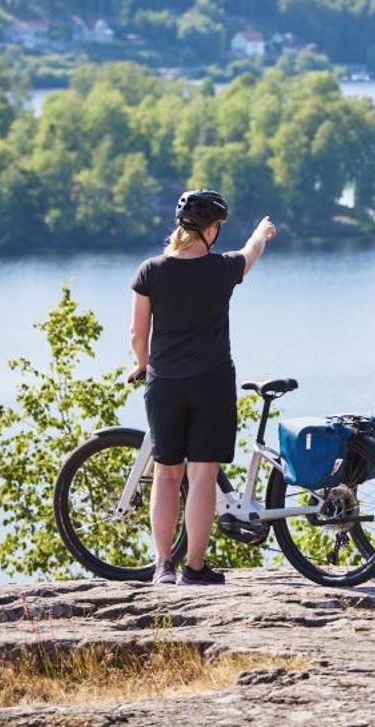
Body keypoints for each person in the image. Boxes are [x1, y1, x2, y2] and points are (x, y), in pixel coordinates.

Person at [128, 188, 277, 586]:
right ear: (210, 230)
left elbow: (137, 335)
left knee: (166, 475)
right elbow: (251, 254)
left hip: (165, 385)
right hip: (211, 381)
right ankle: (195, 568)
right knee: (203, 475)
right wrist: (261, 232)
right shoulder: (222, 269)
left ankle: (162, 566)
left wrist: (143, 366)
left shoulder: (151, 271)